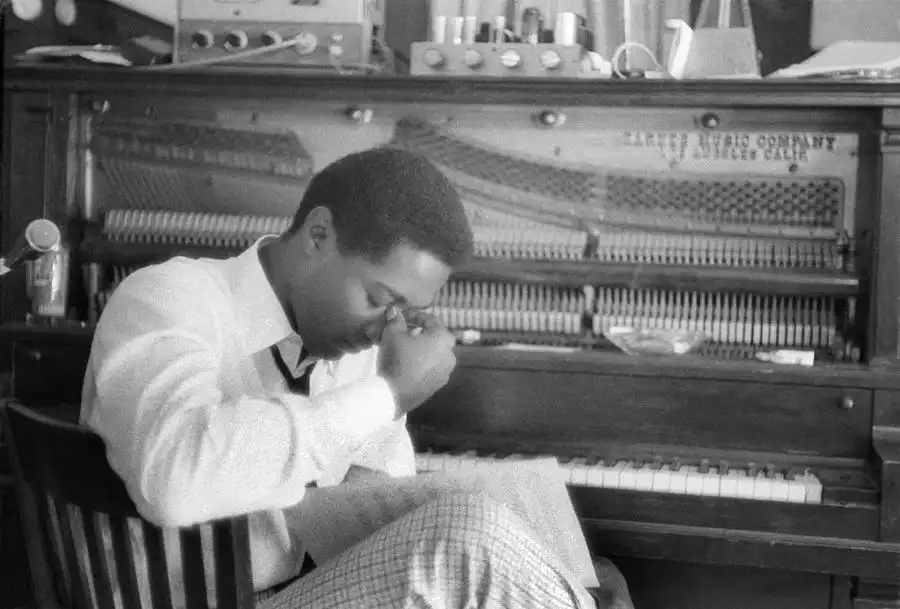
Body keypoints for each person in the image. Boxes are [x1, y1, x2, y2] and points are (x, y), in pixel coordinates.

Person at [81, 147, 633, 609]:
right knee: (471, 540)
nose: (382, 331)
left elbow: (376, 521)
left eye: (404, 311)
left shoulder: (358, 351)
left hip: (299, 592)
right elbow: (176, 483)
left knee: (588, 575)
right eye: (378, 299)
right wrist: (389, 394)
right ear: (318, 235)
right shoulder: (169, 297)